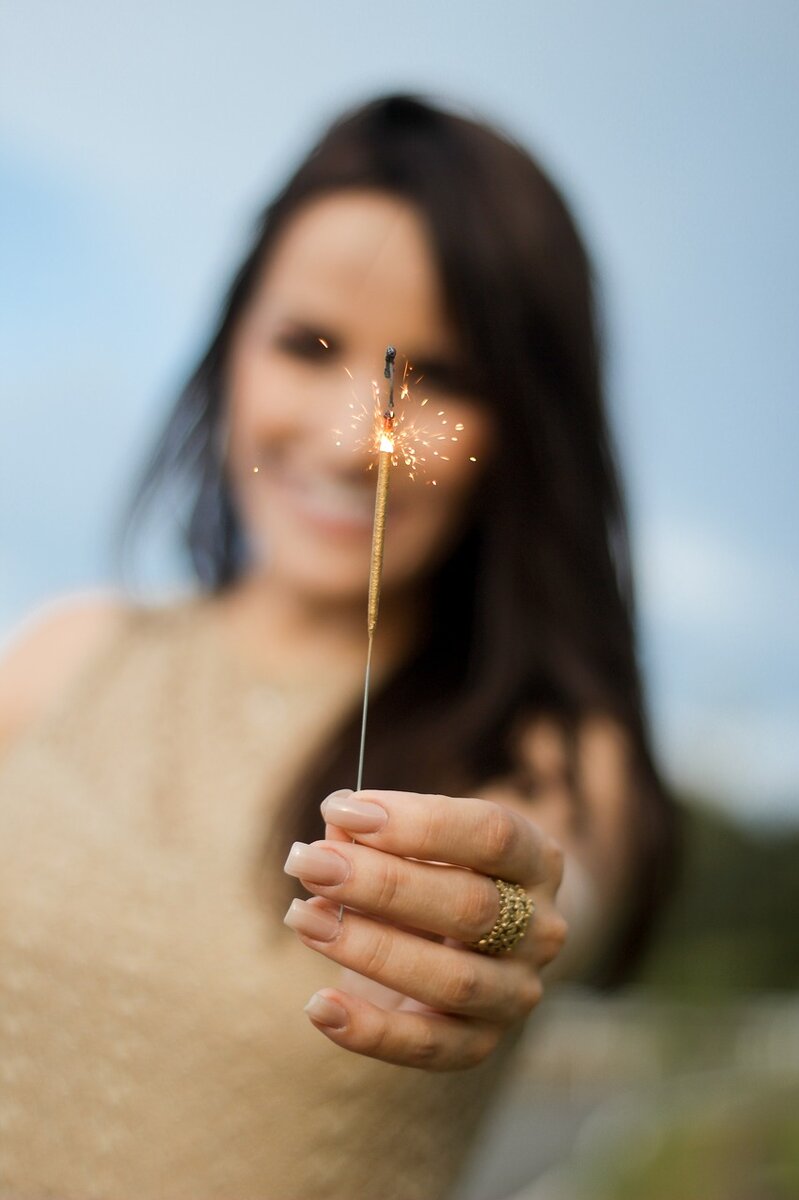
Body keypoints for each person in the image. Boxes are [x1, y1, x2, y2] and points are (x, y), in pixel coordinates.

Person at [0, 94, 678, 1199]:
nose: (350, 436)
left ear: (524, 433)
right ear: (230, 349)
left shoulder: (550, 759)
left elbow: (550, 887)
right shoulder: (60, 653)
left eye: (442, 379)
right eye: (306, 344)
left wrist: (505, 922)